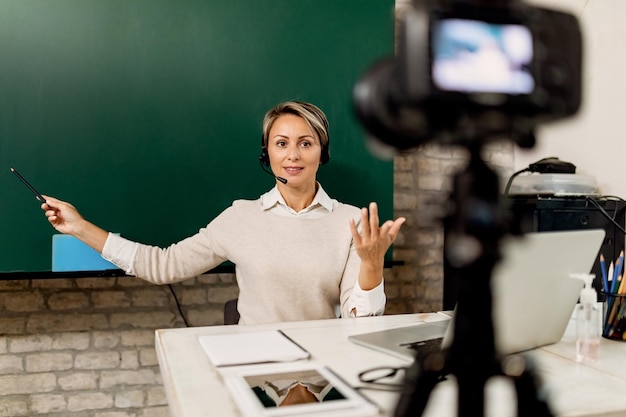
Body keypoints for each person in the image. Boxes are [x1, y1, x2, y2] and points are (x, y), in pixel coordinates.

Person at [41, 101, 405, 324]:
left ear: (321, 154)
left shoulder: (352, 222)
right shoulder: (240, 217)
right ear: (268, 154)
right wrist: (78, 227)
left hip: (324, 370)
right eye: (281, 144)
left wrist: (372, 264)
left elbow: (361, 322)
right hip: (254, 366)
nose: (293, 155)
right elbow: (161, 265)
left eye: (305, 143)